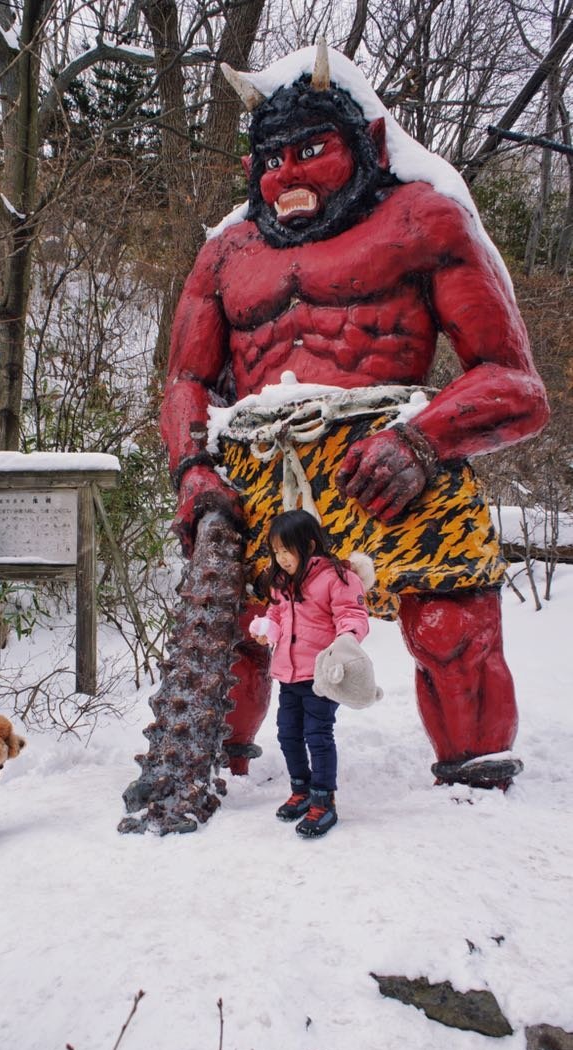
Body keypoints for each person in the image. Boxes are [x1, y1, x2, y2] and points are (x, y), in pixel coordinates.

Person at [161, 43, 549, 790]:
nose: (289, 176)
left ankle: (476, 782)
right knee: (240, 631)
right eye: (273, 159)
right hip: (261, 468)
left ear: (366, 145)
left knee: (450, 624)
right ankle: (217, 770)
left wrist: (422, 440)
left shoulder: (425, 221)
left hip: (397, 459)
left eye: (313, 150)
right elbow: (185, 380)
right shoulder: (225, 255)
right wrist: (192, 468)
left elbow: (516, 384)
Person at [249, 510, 370, 837]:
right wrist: (267, 629)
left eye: (286, 550)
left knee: (317, 735)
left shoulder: (336, 578)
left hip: (321, 675)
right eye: (275, 551)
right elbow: (276, 614)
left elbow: (352, 615)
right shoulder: (280, 582)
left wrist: (346, 641)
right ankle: (301, 790)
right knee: (288, 734)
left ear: (309, 545)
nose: (281, 558)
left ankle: (323, 800)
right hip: (288, 674)